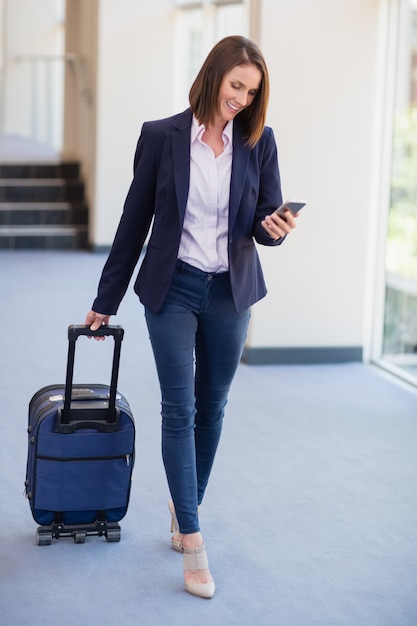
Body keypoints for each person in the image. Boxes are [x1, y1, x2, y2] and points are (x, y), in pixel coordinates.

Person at [85, 35, 298, 599]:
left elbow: (259, 221)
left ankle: (185, 510)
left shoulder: (260, 141)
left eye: (252, 93)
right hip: (173, 288)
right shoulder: (161, 137)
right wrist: (105, 299)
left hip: (232, 292)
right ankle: (195, 540)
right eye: (236, 86)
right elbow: (134, 221)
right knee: (178, 409)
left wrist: (272, 228)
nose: (242, 100)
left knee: (213, 407)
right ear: (214, 76)